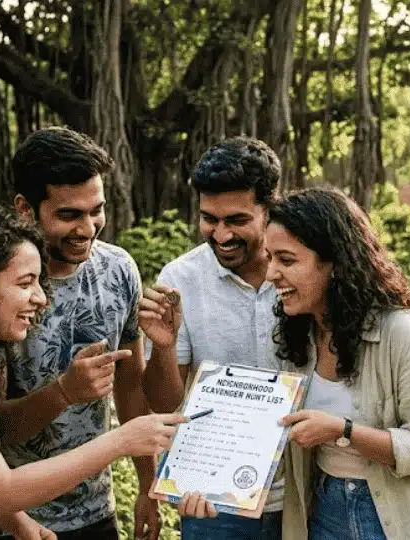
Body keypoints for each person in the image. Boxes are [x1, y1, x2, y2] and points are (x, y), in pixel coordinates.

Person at [176, 187, 410, 540]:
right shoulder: (299, 335)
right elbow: (261, 435)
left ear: (333, 264)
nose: (271, 274)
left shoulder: (401, 331)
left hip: (389, 515)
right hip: (322, 509)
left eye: (286, 260)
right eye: (270, 258)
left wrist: (343, 431)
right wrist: (204, 485)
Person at [0, 127, 158, 540]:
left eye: (96, 210)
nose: (87, 228)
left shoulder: (119, 271)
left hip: (96, 512)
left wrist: (148, 487)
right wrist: (64, 392)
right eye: (69, 215)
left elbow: (132, 387)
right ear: (25, 209)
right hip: (12, 517)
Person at [0, 202, 185, 540]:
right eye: (25, 284)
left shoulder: (119, 271)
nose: (41, 299)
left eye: (40, 282)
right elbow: (0, 490)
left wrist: (19, 525)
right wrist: (121, 440)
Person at [138, 137, 286, 539]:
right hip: (213, 498)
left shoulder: (300, 270)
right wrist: (164, 346)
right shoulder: (180, 279)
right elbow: (165, 403)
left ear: (269, 209)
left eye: (236, 220)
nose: (220, 235)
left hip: (304, 493)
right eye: (209, 219)